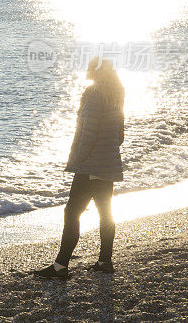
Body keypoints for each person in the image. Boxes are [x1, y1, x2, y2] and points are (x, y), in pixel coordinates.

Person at [34, 56, 125, 279]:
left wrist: (77, 160)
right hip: (108, 165)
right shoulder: (116, 94)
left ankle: (60, 266)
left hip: (90, 166)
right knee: (106, 214)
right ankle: (105, 261)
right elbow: (120, 136)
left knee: (72, 212)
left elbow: (88, 133)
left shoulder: (94, 93)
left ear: (93, 71)